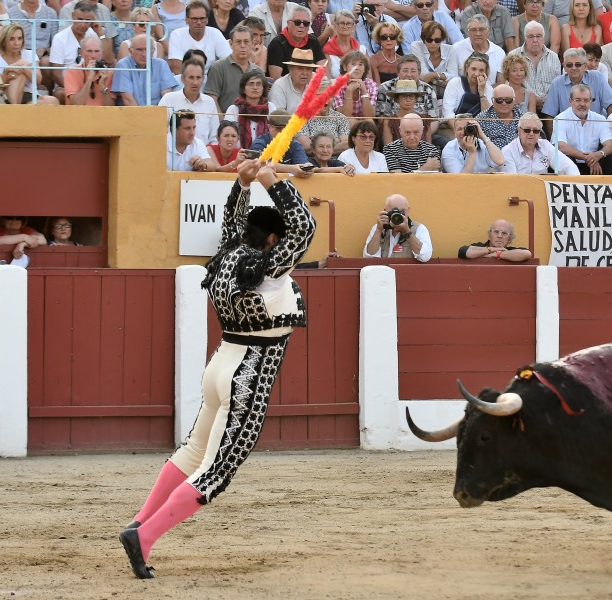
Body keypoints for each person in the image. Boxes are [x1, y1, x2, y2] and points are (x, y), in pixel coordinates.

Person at [118, 161, 316, 580]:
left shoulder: (229, 251)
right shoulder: (269, 267)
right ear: (273, 240)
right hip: (248, 376)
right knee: (216, 470)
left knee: (193, 452)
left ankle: (139, 521)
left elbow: (232, 219)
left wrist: (242, 182)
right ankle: (145, 536)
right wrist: (272, 182)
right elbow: (305, 228)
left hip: (221, 363)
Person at [541, 47, 612, 128]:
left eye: (578, 64)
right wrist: (554, 135)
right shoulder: (556, 83)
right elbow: (549, 115)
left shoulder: (597, 78)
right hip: (568, 130)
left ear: (585, 66)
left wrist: (608, 129)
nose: (574, 68)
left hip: (595, 128)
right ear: (564, 67)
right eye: (569, 65)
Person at [0, 24, 59, 106]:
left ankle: (22, 110)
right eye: (11, 39)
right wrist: (6, 72)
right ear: (4, 41)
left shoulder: (30, 54)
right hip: (6, 97)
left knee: (53, 100)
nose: (16, 43)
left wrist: (24, 67)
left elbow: (38, 81)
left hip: (30, 95)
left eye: (19, 38)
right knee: (16, 74)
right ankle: (16, 108)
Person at [554, 83, 612, 175]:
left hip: (595, 161)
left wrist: (598, 155)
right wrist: (588, 158)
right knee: (563, 158)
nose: (582, 104)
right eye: (578, 100)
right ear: (570, 101)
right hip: (572, 161)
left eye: (586, 100)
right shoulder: (560, 118)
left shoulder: (600, 119)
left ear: (591, 102)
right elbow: (561, 146)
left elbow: (610, 146)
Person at [204, 24, 262, 114]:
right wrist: (223, 121)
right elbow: (212, 100)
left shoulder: (258, 71)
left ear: (252, 43)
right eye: (238, 42)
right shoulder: (218, 68)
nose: (242, 45)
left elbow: (262, 101)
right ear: (231, 44)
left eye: (246, 42)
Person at [49, 1, 100, 102]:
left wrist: (101, 34)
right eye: (80, 19)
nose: (83, 25)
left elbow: (103, 59)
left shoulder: (93, 35)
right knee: (60, 94)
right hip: (66, 84)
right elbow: (56, 74)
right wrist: (72, 88)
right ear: (73, 16)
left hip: (90, 82)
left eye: (87, 21)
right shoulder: (60, 38)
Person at [159, 59, 219, 143]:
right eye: (191, 77)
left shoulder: (209, 102)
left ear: (203, 79)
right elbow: (159, 132)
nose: (195, 82)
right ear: (182, 79)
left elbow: (214, 138)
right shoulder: (168, 100)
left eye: (198, 77)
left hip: (203, 151)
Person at [501, 112, 581, 174]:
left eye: (536, 131)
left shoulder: (546, 145)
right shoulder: (508, 151)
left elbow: (569, 166)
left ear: (539, 133)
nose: (531, 134)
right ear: (519, 131)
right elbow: (512, 181)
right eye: (527, 130)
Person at [167, 1, 233, 76]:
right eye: (194, 19)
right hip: (184, 79)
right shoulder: (177, 35)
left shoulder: (215, 33)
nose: (199, 22)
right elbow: (176, 67)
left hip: (211, 79)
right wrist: (194, 80)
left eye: (202, 18)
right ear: (186, 20)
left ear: (207, 20)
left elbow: (229, 61)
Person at [6, 0, 59, 91]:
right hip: (19, 53)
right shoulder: (10, 13)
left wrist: (45, 49)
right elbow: (8, 40)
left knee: (46, 62)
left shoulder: (51, 13)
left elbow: (56, 44)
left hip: (43, 55)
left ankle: (46, 92)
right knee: (20, 63)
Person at [363, 194, 433, 261]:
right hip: (383, 269)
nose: (397, 215)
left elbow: (425, 257)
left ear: (408, 210)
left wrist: (407, 232)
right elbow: (368, 257)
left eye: (402, 211)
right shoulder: (378, 228)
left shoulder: (418, 229)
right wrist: (379, 230)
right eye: (393, 212)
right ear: (385, 211)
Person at [507, 21, 560, 108]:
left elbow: (557, 85)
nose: (535, 40)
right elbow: (509, 84)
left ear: (544, 37)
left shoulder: (553, 57)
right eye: (531, 37)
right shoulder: (513, 55)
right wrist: (532, 99)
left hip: (549, 106)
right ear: (525, 38)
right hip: (523, 106)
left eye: (538, 36)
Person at [112, 35, 177, 106]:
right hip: (131, 112)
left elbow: (166, 96)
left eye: (147, 49)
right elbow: (128, 99)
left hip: (157, 111)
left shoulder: (161, 65)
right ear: (130, 51)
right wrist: (143, 113)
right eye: (139, 50)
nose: (144, 54)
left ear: (153, 51)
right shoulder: (123, 65)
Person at [266, 5, 327, 79]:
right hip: (285, 85)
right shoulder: (277, 44)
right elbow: (276, 78)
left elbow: (323, 69)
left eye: (306, 23)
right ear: (288, 24)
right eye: (297, 22)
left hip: (310, 83)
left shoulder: (313, 41)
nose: (301, 26)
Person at [249, 110, 315, 177]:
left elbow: (303, 162)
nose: (283, 132)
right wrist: (291, 169)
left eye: (287, 129)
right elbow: (260, 164)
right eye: (279, 129)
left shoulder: (294, 144)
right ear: (269, 126)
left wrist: (308, 167)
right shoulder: (260, 143)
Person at [224, 71, 274, 149]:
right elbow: (227, 135)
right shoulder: (233, 109)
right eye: (251, 84)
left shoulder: (270, 107)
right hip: (239, 153)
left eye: (258, 84)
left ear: (263, 88)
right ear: (243, 89)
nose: (255, 87)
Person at [409, 21, 459, 99]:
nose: (433, 43)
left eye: (437, 40)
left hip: (447, 94)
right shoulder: (416, 46)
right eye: (429, 40)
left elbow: (454, 77)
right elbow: (423, 74)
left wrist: (433, 75)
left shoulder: (450, 49)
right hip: (424, 93)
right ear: (423, 39)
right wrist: (443, 79)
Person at [296, 86, 351, 154]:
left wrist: (318, 146)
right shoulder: (301, 117)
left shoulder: (340, 117)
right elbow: (306, 146)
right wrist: (336, 141)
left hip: (337, 159)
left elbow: (346, 145)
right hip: (311, 159)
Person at [451, 15, 506, 82]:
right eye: (473, 30)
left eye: (481, 29)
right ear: (468, 32)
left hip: (491, 88)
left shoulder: (499, 52)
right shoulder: (456, 48)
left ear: (488, 31)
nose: (478, 34)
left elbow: (500, 82)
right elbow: (452, 78)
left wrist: (485, 88)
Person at [442, 51, 494, 120]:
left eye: (481, 70)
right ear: (467, 68)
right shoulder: (455, 83)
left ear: (485, 72)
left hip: (478, 125)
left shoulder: (488, 88)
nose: (477, 74)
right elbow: (448, 114)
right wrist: (458, 126)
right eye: (473, 69)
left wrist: (482, 93)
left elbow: (488, 118)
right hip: (455, 123)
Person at [64, 37, 114, 107]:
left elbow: (111, 107)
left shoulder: (109, 73)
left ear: (102, 53)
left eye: (97, 51)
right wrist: (89, 79)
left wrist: (103, 86)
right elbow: (76, 104)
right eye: (89, 51)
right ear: (81, 53)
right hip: (80, 112)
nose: (93, 56)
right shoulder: (72, 71)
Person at [383, 79, 435, 143]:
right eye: (404, 96)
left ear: (416, 99)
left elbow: (428, 145)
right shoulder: (389, 122)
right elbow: (388, 147)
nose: (408, 100)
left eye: (411, 96)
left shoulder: (424, 120)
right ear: (397, 99)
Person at [332, 50, 378, 120]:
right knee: (351, 121)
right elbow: (343, 117)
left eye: (360, 64)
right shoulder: (336, 85)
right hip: (344, 123)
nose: (357, 68)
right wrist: (349, 91)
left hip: (365, 123)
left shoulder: (371, 85)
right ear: (345, 67)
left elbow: (370, 116)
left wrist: (364, 92)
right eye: (353, 64)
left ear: (364, 69)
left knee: (369, 121)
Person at [268, 47, 318, 112]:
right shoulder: (280, 86)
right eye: (300, 68)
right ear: (290, 69)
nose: (305, 73)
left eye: (308, 69)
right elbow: (278, 116)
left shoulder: (318, 81)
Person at [458, 219, 531, 262]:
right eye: (496, 232)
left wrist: (496, 254)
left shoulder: (511, 251)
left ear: (510, 239)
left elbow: (526, 254)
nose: (499, 236)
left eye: (504, 233)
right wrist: (491, 249)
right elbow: (463, 251)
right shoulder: (480, 247)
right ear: (489, 235)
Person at [476, 83, 522, 148]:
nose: (504, 103)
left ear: (514, 100)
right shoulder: (482, 119)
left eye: (508, 100)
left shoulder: (523, 118)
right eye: (499, 100)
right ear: (493, 101)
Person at [323, 9, 360, 76]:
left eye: (348, 23)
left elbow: (369, 78)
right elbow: (326, 78)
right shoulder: (326, 50)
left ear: (353, 27)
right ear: (335, 26)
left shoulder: (361, 49)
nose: (345, 26)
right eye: (342, 23)